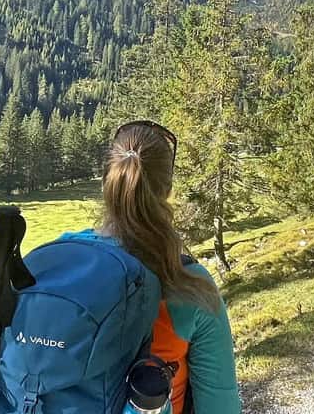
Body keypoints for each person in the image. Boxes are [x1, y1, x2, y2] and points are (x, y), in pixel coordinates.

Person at [62, 121, 241, 414]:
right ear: (167, 190)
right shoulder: (188, 284)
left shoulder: (60, 259)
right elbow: (220, 406)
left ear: (107, 181)